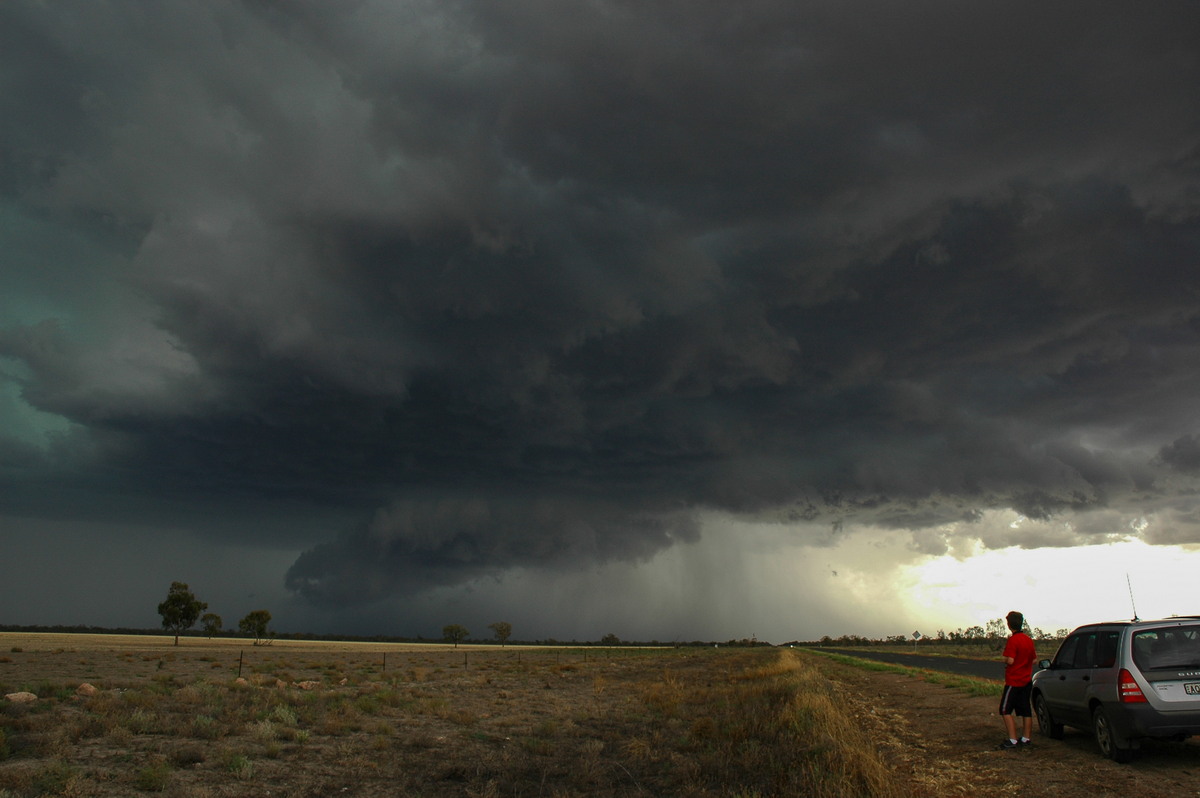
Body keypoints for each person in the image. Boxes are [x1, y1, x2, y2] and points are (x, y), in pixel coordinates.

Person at [998, 610, 1037, 749]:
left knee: (1005, 710)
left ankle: (1013, 740)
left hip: (1014, 681)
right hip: (1026, 681)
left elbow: (1010, 660)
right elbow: (1033, 659)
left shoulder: (1013, 640)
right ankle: (1026, 738)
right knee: (1026, 710)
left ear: (1009, 625)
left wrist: (1005, 660)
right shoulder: (1028, 640)